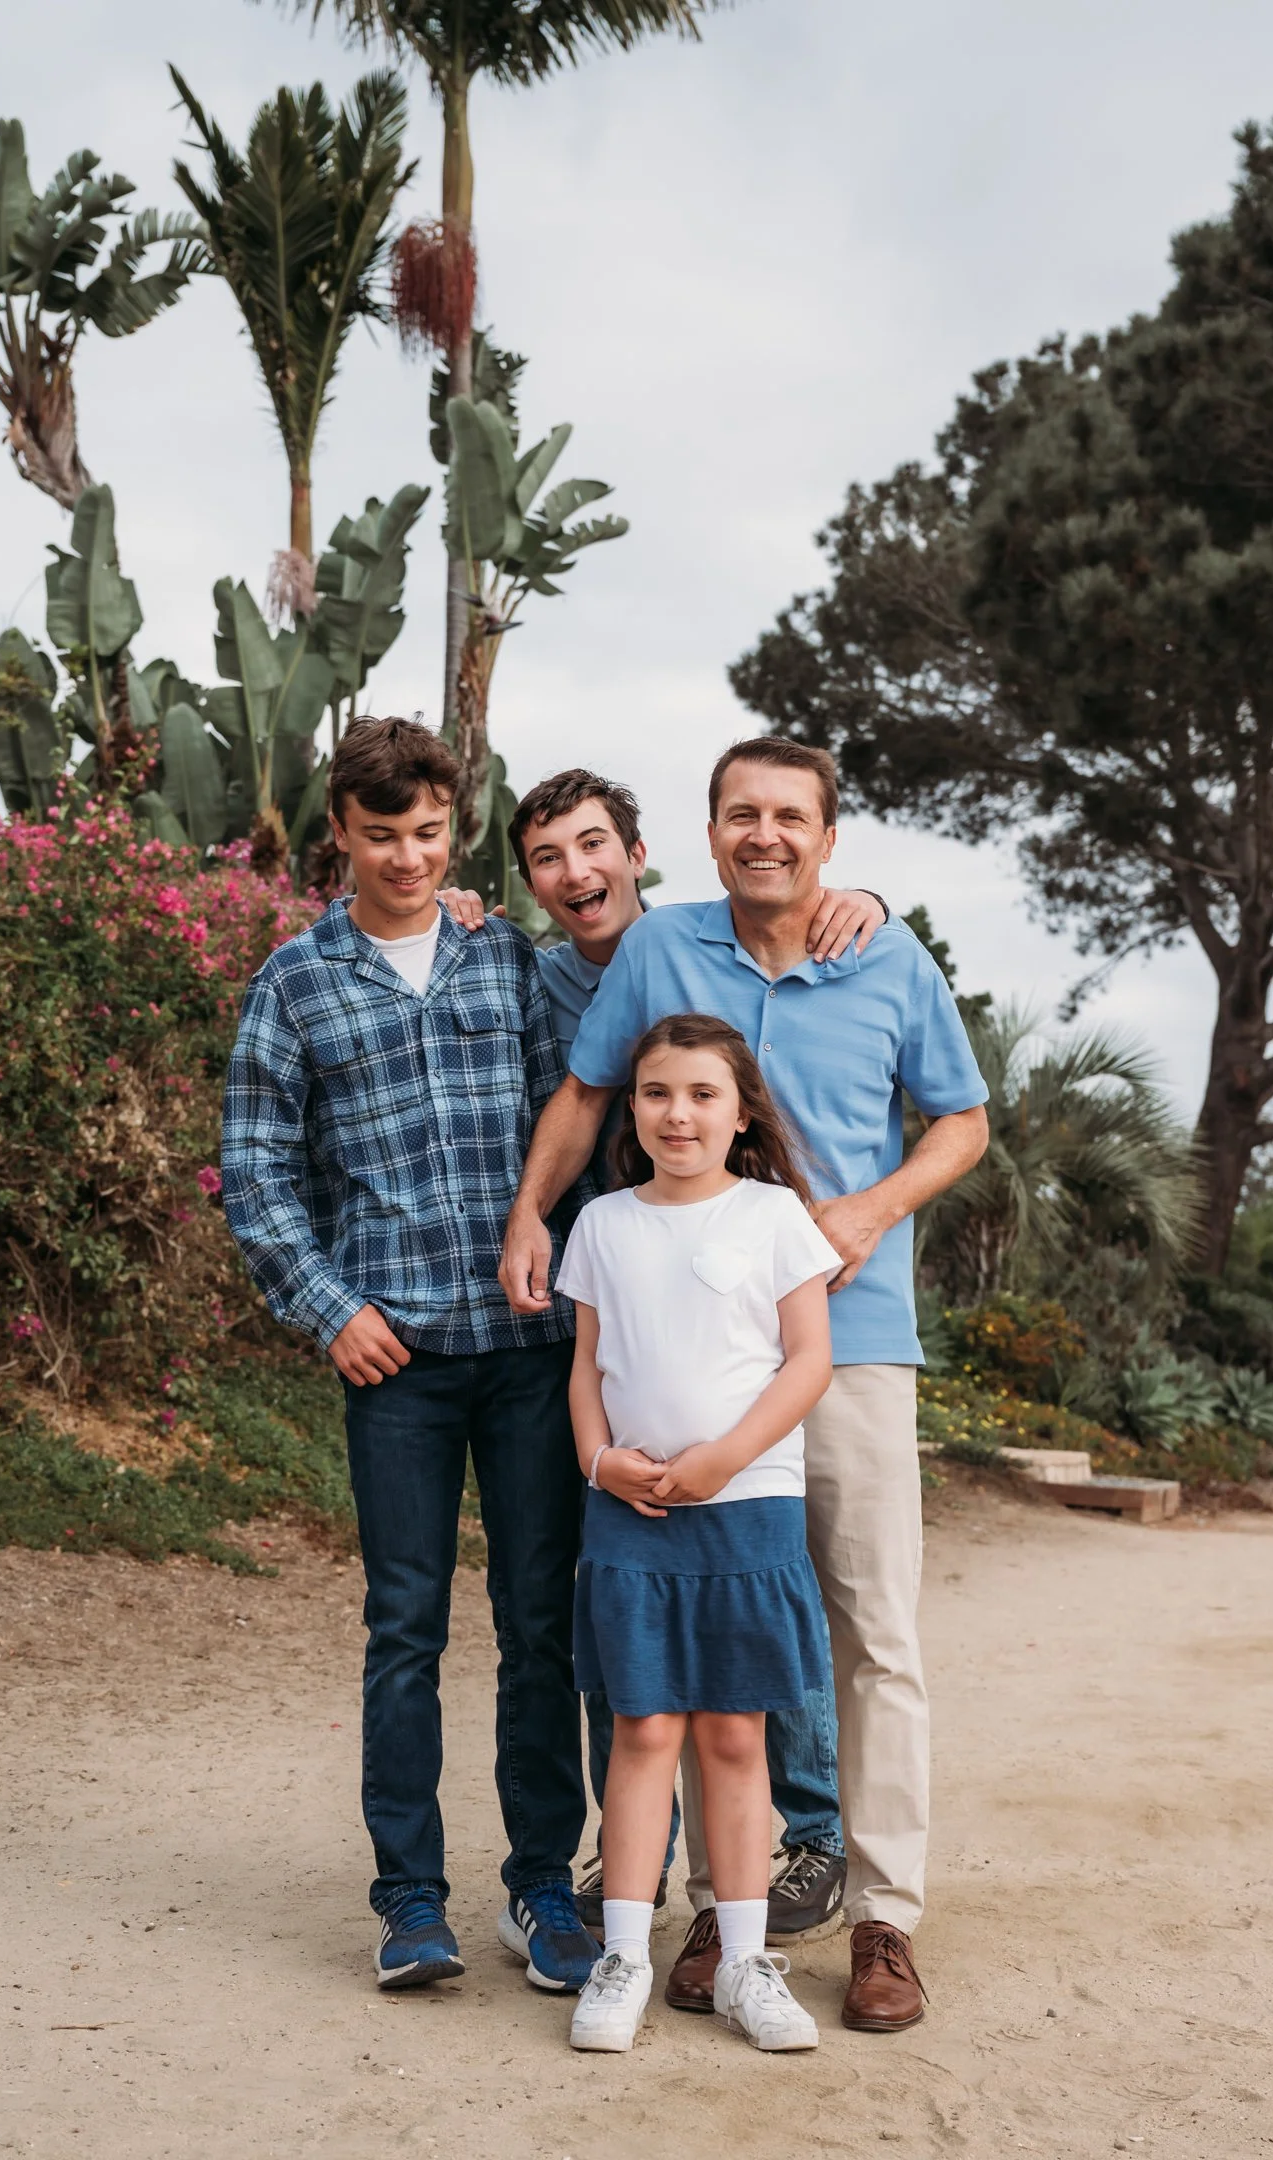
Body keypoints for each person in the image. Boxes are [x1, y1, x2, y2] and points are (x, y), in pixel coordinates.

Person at [500, 736, 990, 2033]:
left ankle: (884, 1919)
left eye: (788, 817)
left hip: (856, 1337)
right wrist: (529, 1216)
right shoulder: (664, 948)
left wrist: (871, 1210)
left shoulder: (887, 956)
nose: (763, 835)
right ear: (711, 834)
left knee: (870, 1633)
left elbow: (962, 1121)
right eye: (740, 815)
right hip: (682, 1356)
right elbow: (587, 1087)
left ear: (829, 837)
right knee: (681, 1628)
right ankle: (720, 1916)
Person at [442, 768, 888, 1941]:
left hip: (738, 1300)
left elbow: (787, 908)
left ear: (642, 853)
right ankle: (642, 1858)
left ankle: (808, 1838)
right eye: (548, 858)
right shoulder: (526, 968)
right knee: (631, 1589)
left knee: (756, 1581)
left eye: (596, 847)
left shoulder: (688, 945)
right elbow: (579, 1096)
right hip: (604, 1294)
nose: (577, 873)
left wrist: (865, 897)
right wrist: (533, 1213)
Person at [222, 718, 600, 2001]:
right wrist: (329, 1307)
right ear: (341, 830)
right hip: (398, 1364)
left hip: (532, 1351)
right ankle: (410, 1901)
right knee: (405, 1629)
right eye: (382, 836)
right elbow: (260, 1171)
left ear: (458, 828)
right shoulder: (297, 981)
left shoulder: (509, 962)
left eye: (430, 834)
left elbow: (579, 1114)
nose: (408, 857)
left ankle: (545, 1889)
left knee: (542, 1625)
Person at [558, 1013, 843, 2054]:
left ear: (739, 1111)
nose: (678, 1113)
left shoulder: (774, 1215)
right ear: (631, 1111)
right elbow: (585, 1370)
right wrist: (598, 1461)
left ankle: (742, 1961)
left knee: (733, 1735)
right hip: (629, 1516)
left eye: (702, 1094)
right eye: (657, 1094)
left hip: (748, 1509)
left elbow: (807, 1360)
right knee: (642, 1732)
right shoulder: (601, 1225)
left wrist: (725, 1456)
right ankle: (625, 1957)